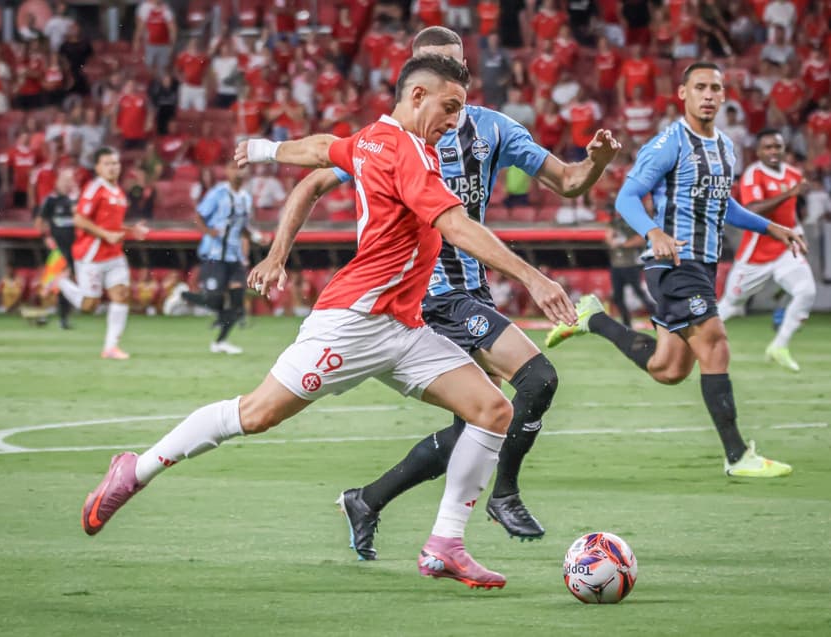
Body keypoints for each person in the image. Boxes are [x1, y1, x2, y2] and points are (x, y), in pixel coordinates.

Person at [80, 55, 577, 590]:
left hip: (402, 327)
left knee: (491, 409)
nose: (455, 121)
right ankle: (135, 470)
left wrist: (267, 150)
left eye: (459, 110)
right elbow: (454, 224)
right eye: (448, 107)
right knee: (256, 413)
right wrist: (534, 277)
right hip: (353, 322)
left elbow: (322, 148)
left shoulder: (372, 138)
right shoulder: (405, 154)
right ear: (416, 97)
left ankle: (444, 545)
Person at [241, 27, 620, 559]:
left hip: (474, 292)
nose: (444, 71)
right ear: (416, 75)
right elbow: (312, 181)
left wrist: (598, 162)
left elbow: (569, 181)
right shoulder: (388, 139)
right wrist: (277, 252)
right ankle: (504, 495)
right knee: (537, 377)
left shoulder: (492, 129)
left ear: (465, 69)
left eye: (452, 64)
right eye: (431, 64)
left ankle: (367, 501)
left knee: (479, 423)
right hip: (427, 296)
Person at [545, 62, 807, 478]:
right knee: (716, 342)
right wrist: (653, 234)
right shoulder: (669, 143)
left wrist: (772, 227)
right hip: (672, 263)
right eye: (699, 87)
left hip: (701, 264)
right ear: (682, 93)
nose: (708, 94)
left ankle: (593, 319)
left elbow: (726, 206)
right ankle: (738, 456)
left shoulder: (725, 147)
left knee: (669, 369)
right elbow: (627, 197)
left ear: (723, 96)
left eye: (715, 88)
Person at [718, 129, 815, 372]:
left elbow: (790, 213)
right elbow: (752, 209)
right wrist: (789, 193)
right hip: (756, 254)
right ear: (759, 151)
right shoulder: (754, 174)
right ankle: (689, 341)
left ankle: (779, 346)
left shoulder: (794, 174)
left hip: (784, 250)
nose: (773, 152)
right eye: (768, 147)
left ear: (784, 150)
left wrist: (799, 233)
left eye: (777, 147)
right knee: (730, 304)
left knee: (806, 291)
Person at [56, 147, 149, 359]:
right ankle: (61, 282)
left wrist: (131, 230)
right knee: (90, 305)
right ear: (98, 167)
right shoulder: (93, 189)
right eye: (107, 163)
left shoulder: (118, 191)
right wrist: (105, 234)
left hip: (114, 254)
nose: (112, 167)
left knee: (122, 295)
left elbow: (112, 224)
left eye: (115, 163)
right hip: (91, 254)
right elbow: (79, 219)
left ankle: (110, 347)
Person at [181, 161, 262, 355]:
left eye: (242, 168)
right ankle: (182, 295)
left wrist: (255, 237)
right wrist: (209, 232)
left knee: (237, 301)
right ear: (226, 171)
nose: (238, 171)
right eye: (234, 167)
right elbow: (198, 216)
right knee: (213, 299)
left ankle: (220, 342)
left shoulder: (246, 198)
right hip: (214, 254)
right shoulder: (217, 193)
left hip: (235, 256)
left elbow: (241, 226)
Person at [34, 167, 77, 329]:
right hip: (57, 249)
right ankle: (59, 316)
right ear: (58, 182)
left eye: (70, 180)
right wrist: (47, 238)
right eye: (65, 180)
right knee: (58, 280)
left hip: (74, 248)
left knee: (62, 282)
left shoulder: (75, 201)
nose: (67, 184)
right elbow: (39, 222)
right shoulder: (51, 201)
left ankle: (56, 314)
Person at [604, 210, 656, 327]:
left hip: (631, 264)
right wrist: (611, 240)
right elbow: (608, 236)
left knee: (639, 293)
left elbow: (642, 239)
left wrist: (622, 244)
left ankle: (657, 317)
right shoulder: (615, 223)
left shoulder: (633, 223)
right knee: (618, 296)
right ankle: (627, 324)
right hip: (616, 265)